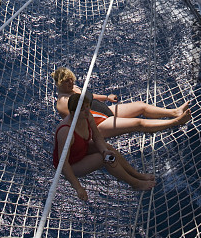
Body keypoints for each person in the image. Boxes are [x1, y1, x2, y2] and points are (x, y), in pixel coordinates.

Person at [53, 91, 156, 201]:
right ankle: (135, 183)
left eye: (87, 106)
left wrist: (104, 150)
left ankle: (137, 175)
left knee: (108, 150)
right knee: (103, 159)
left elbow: (97, 137)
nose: (87, 111)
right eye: (82, 109)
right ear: (73, 113)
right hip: (71, 164)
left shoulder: (87, 116)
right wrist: (78, 187)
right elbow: (63, 164)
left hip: (81, 149)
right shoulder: (66, 132)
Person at [52, 67, 190, 137]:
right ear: (58, 84)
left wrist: (106, 97)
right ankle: (176, 121)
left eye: (71, 79)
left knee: (140, 106)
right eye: (66, 81)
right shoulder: (62, 103)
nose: (70, 82)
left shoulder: (74, 88)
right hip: (98, 124)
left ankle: (174, 112)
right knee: (138, 123)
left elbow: (90, 96)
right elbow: (77, 122)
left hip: (104, 111)